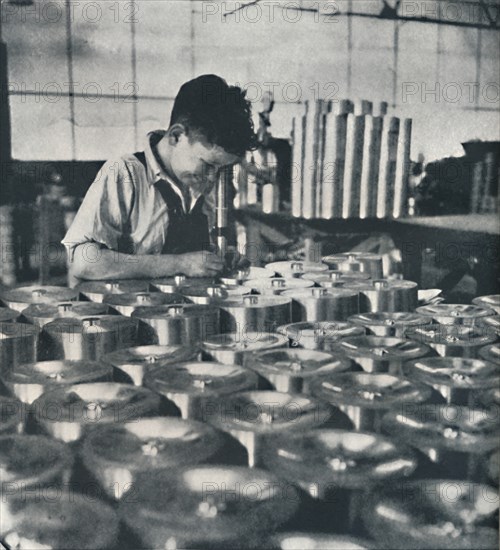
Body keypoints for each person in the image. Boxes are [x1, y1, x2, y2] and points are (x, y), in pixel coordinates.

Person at [62, 74, 256, 282]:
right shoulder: (125, 174)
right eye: (208, 164)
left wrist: (220, 257)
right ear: (176, 136)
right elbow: (83, 262)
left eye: (221, 168)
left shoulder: (202, 183)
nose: (213, 177)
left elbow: (196, 257)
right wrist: (179, 264)